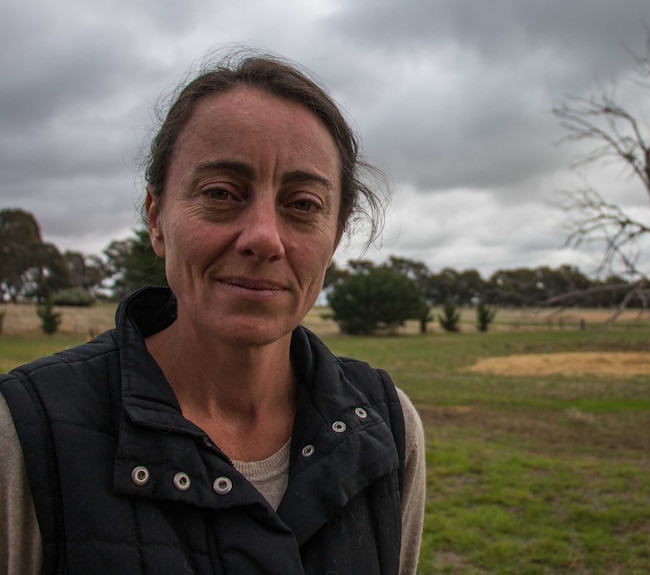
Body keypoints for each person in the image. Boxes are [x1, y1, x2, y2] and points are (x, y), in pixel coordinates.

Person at [0, 51, 425, 574]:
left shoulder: (388, 427)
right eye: (222, 193)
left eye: (304, 204)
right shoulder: (24, 433)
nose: (265, 239)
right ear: (157, 220)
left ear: (334, 238)